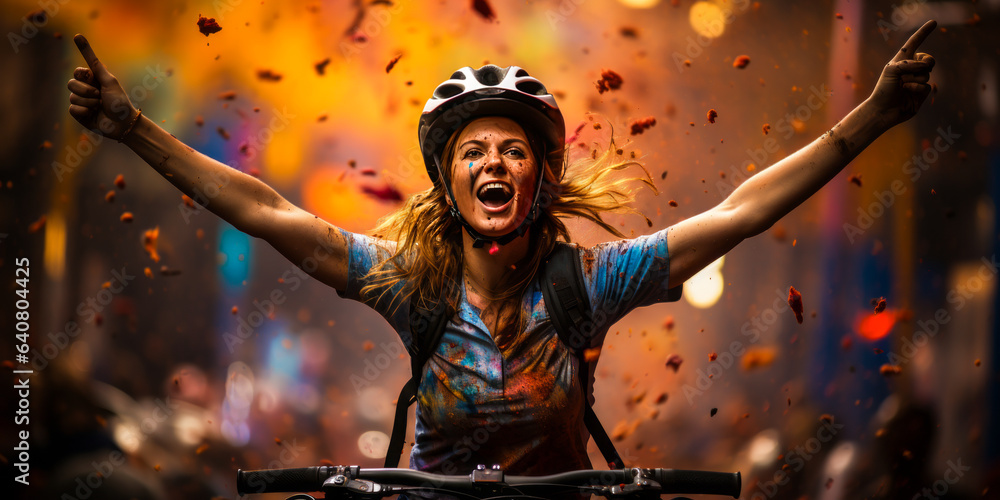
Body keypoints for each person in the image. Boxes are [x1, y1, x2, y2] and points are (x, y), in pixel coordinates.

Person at [66, 20, 937, 480]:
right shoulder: (411, 284)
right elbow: (263, 209)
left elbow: (743, 211)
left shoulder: (591, 284)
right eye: (472, 151)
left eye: (513, 149)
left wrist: (875, 116)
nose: (493, 162)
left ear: (540, 179)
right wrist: (129, 124)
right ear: (447, 184)